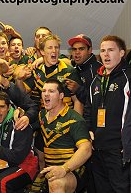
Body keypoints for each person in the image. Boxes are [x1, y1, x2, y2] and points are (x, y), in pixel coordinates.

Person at [84, 35, 131, 193]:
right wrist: (89, 131)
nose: (106, 54)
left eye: (111, 50)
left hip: (119, 149)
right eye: (103, 50)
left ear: (122, 53)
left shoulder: (127, 78)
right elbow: (88, 110)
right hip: (98, 148)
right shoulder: (96, 80)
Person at [38, 79, 92, 193]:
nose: (46, 94)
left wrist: (64, 169)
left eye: (51, 91)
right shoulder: (42, 115)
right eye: (44, 91)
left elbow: (86, 149)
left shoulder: (74, 119)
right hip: (50, 169)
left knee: (56, 183)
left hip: (72, 170)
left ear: (61, 95)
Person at [0, 91, 38, 193]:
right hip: (4, 163)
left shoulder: (19, 122)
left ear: (9, 107)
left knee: (1, 183)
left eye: (2, 107)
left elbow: (17, 157)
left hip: (25, 165)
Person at [15, 34, 83, 115]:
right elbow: (24, 92)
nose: (54, 50)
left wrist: (75, 123)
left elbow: (77, 100)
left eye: (56, 47)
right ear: (42, 51)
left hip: (66, 119)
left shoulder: (69, 71)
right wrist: (18, 79)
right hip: (45, 120)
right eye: (50, 47)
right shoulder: (37, 70)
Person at [65, 34, 102, 105]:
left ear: (89, 50)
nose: (77, 52)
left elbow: (98, 100)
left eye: (81, 49)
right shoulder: (74, 67)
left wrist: (78, 89)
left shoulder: (99, 70)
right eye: (74, 49)